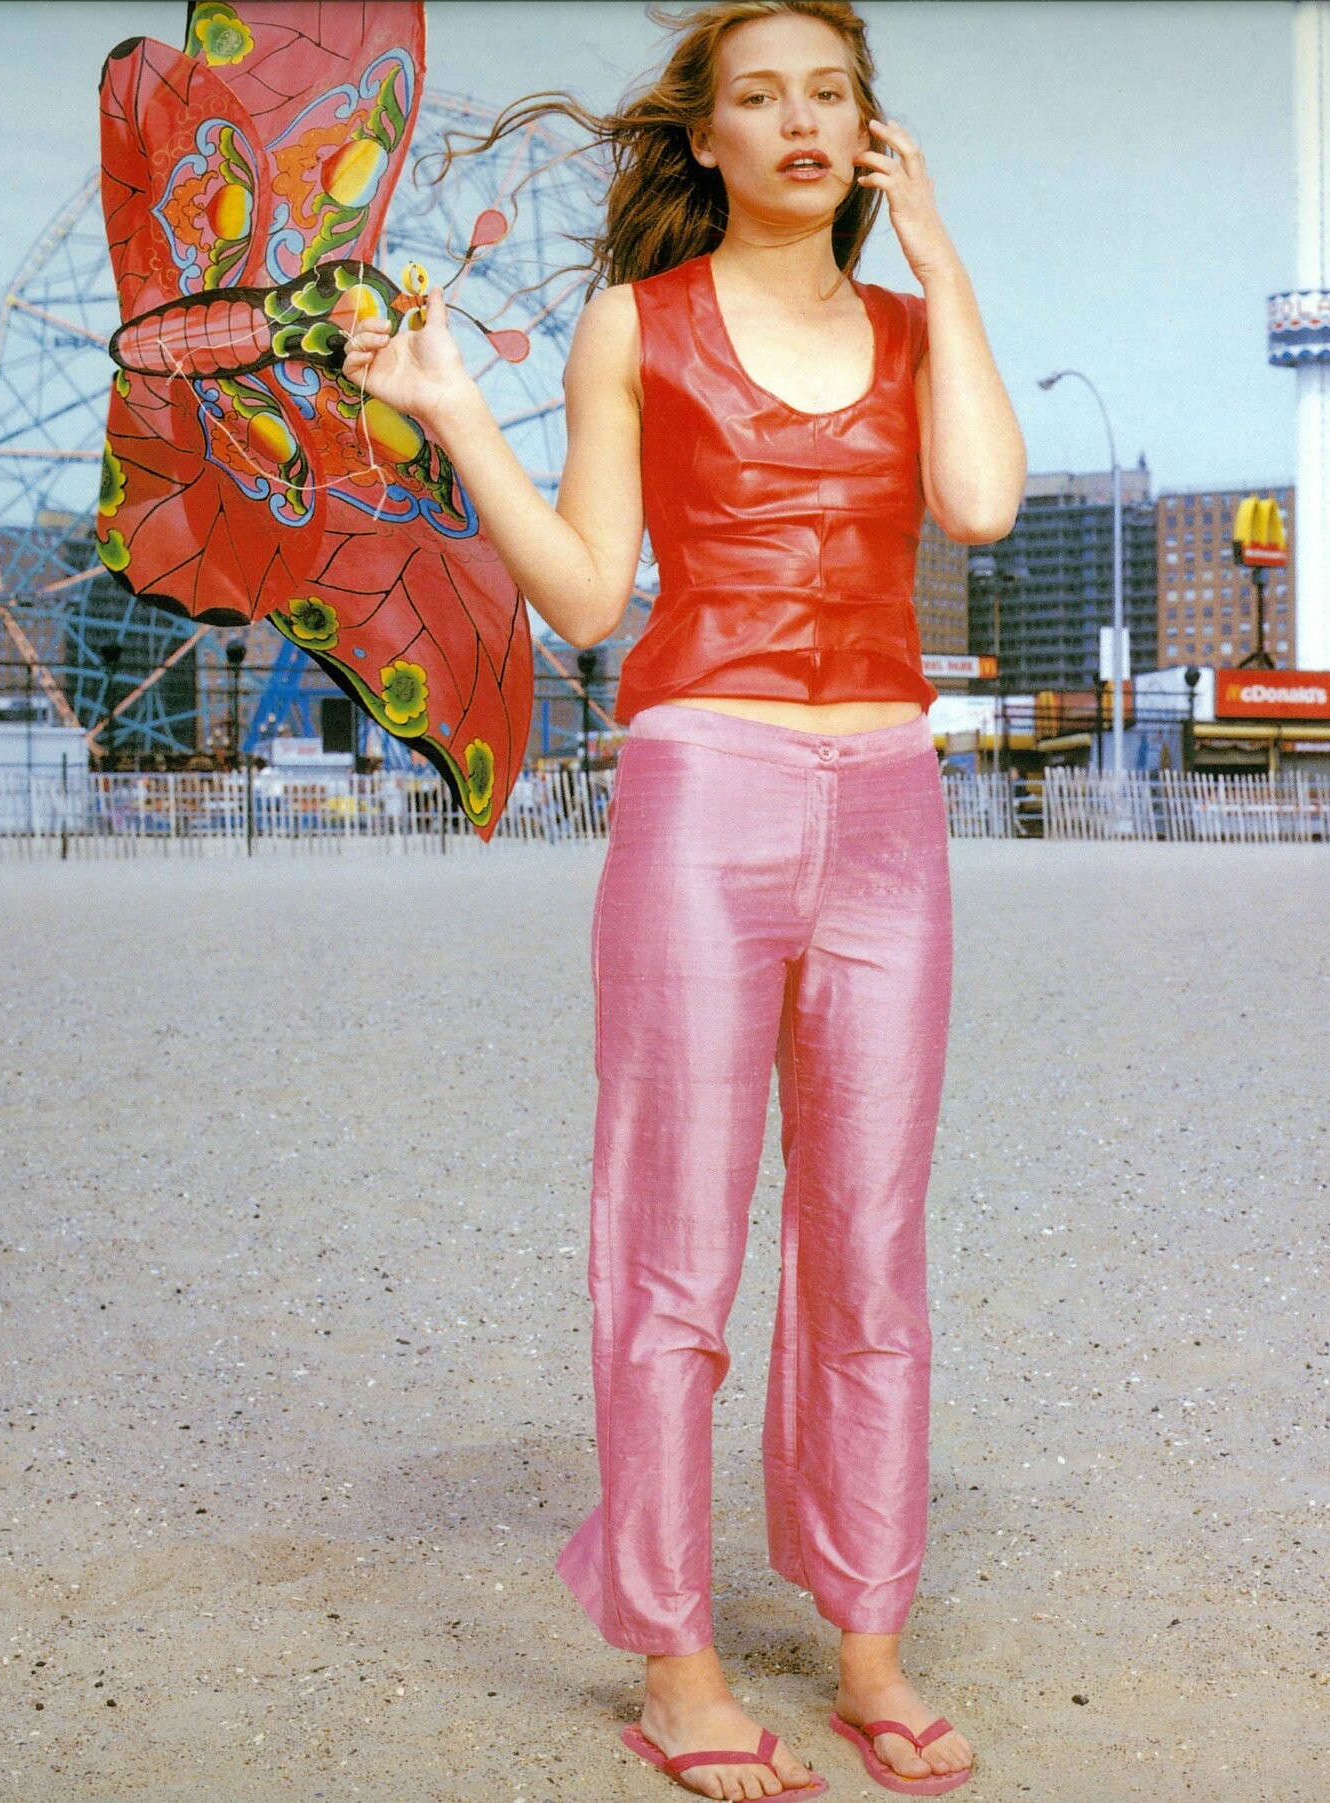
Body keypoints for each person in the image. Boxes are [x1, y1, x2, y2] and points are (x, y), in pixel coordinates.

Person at [344, 4, 1023, 1795]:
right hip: (704, 788)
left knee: (872, 1243)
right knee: (674, 1243)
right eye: (761, 96)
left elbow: (978, 501)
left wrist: (940, 255)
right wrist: (451, 413)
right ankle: (676, 1660)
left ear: (868, 134)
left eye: (832, 94)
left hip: (890, 805)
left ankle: (867, 1639)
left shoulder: (911, 327)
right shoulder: (633, 326)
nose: (799, 120)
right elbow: (587, 597)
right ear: (706, 138)